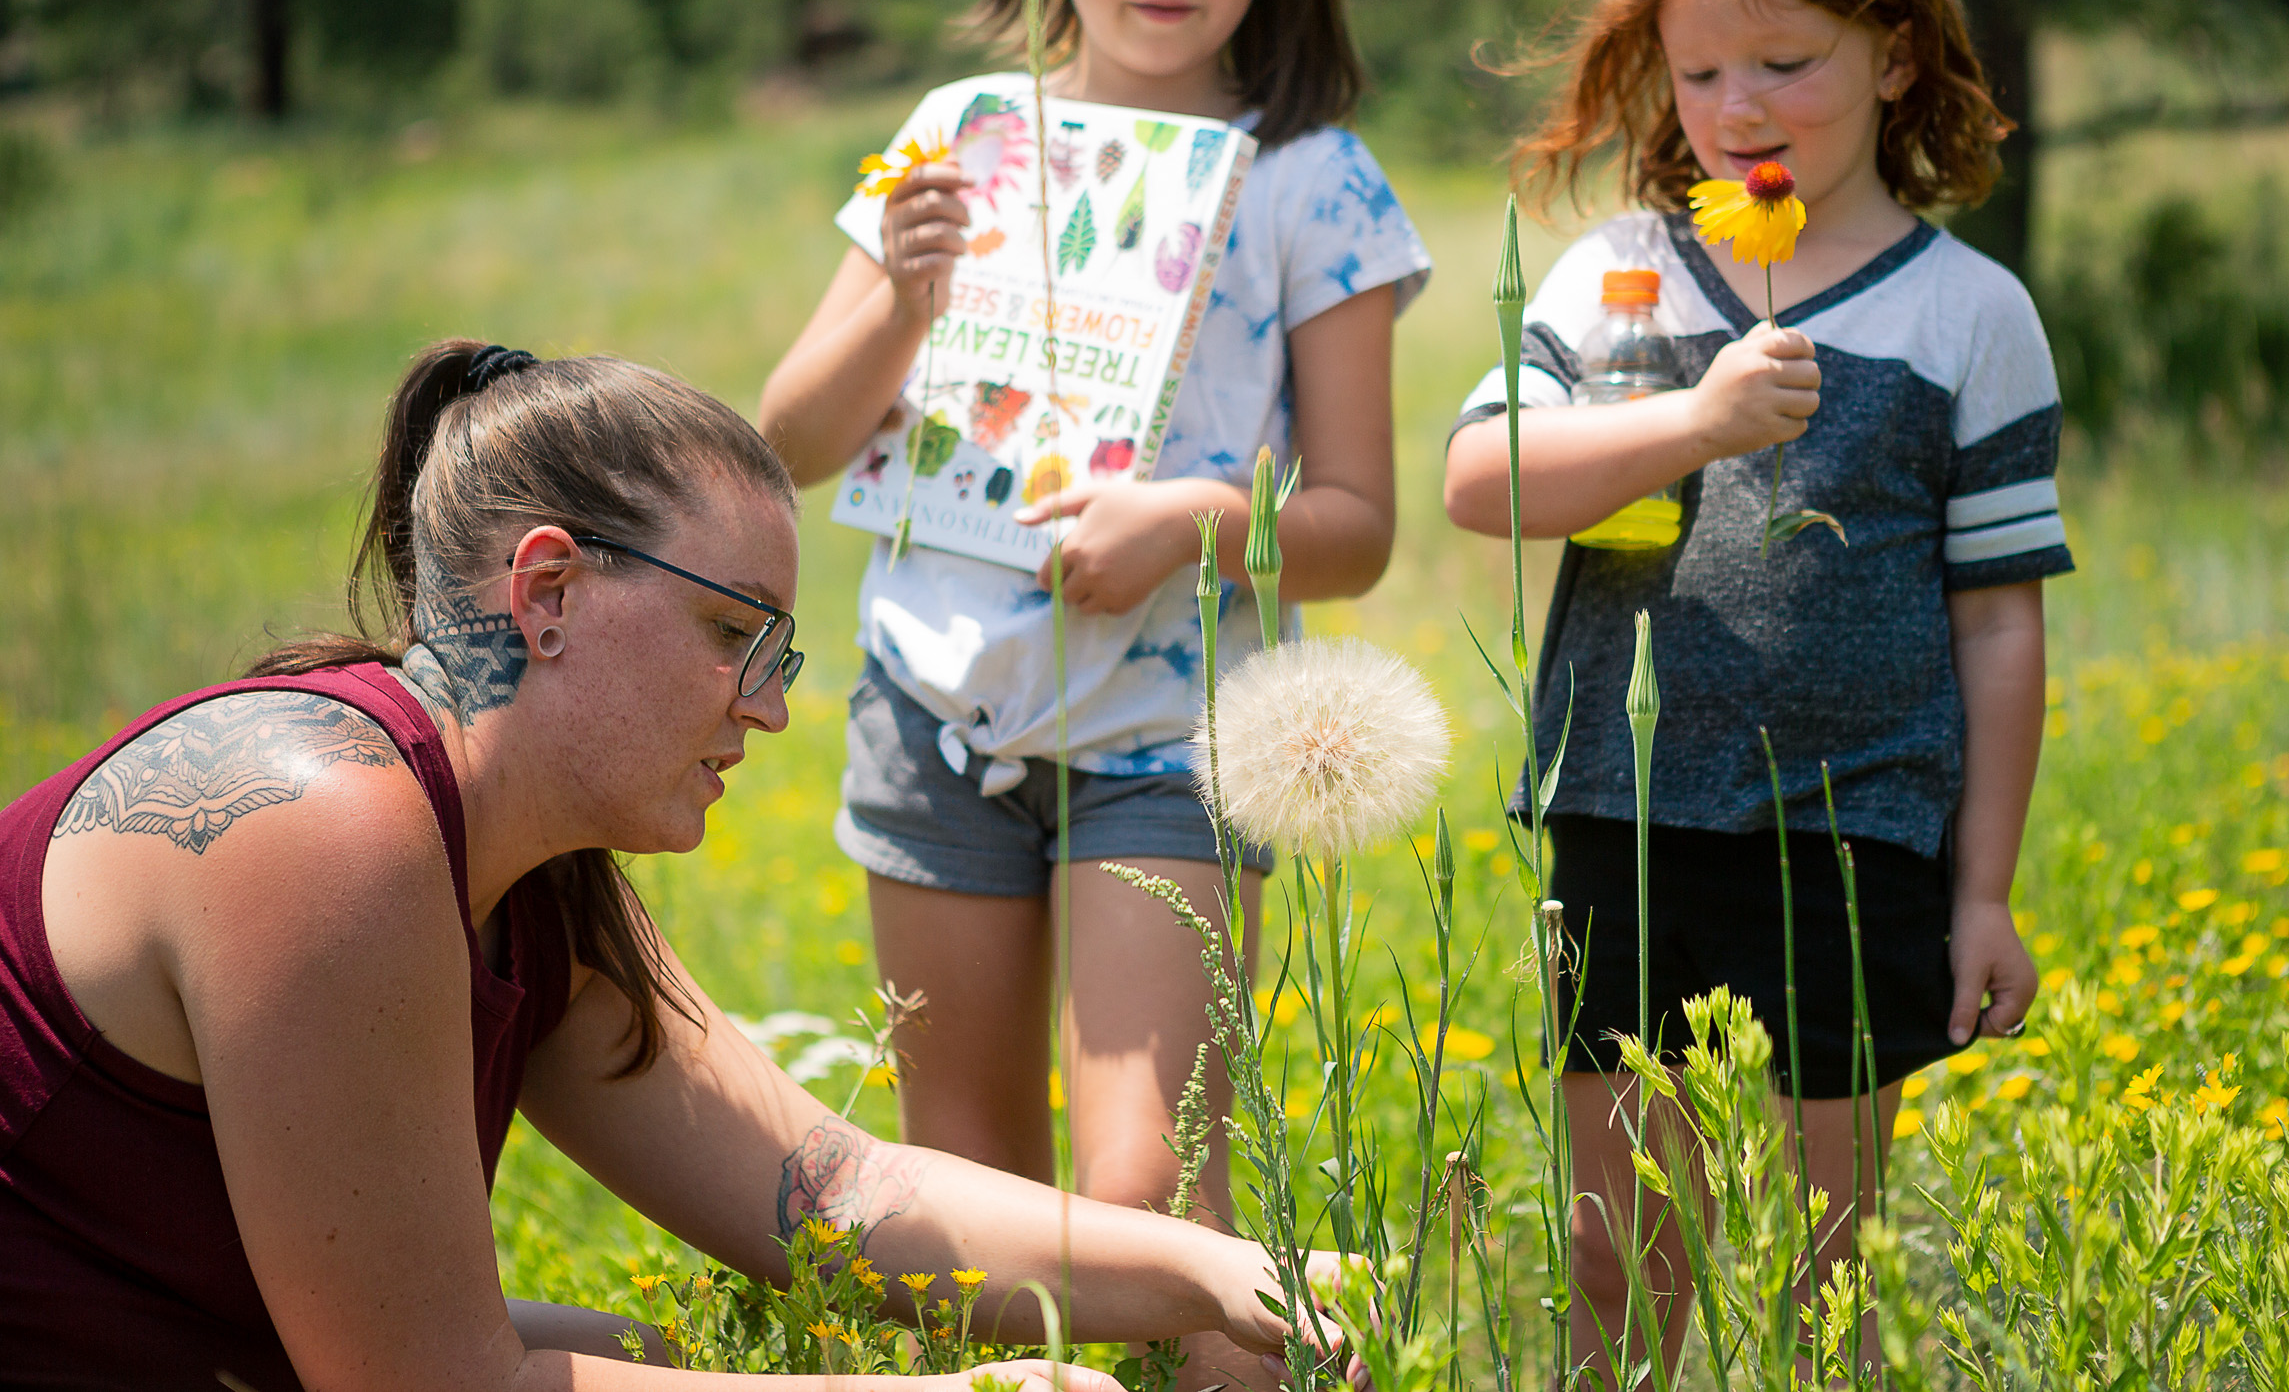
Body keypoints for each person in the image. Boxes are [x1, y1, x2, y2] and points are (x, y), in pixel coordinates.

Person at [1, 340, 1347, 1391]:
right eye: (730, 632)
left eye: (781, 655)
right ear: (548, 595)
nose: (766, 706)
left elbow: (826, 1194)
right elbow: (425, 1384)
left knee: (646, 1358)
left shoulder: (525, 877)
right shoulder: (324, 827)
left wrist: (1217, 1270)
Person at [759, 0, 1426, 1384]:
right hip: (935, 715)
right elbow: (791, 437)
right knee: (964, 1200)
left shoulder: (1312, 181)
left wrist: (1186, 522)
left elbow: (1349, 528)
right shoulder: (962, 133)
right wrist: (909, 299)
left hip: (1170, 740)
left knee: (1149, 1190)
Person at [1443, 0, 2070, 1376]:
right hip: (1628, 808)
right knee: (1618, 1250)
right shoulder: (1618, 278)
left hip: (1858, 832)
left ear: (1898, 55)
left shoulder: (1968, 315)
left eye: (1784, 63)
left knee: (1824, 1261)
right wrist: (1696, 419)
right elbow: (1480, 483)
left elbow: (1999, 619)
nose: (1736, 108)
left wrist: (1982, 888)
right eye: (1702, 72)